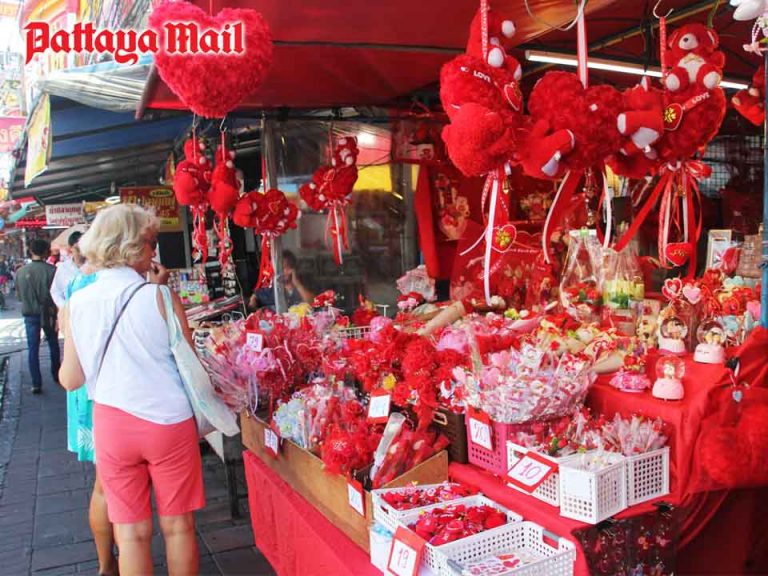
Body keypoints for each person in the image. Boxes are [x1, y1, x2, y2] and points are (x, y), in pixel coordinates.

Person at [59, 204, 204, 576]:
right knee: (178, 526)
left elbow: (71, 379)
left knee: (131, 534)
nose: (154, 251)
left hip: (113, 424)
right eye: (151, 242)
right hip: (169, 422)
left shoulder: (77, 303)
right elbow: (192, 365)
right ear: (131, 245)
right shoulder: (160, 297)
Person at [57, 241, 117, 576]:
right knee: (109, 485)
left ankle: (108, 562)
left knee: (105, 483)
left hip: (86, 393)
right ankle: (110, 563)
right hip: (105, 394)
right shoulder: (102, 285)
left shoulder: (76, 285)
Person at [16, 239, 59, 393]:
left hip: (30, 314)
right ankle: (56, 374)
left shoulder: (20, 272)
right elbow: (57, 295)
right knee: (53, 344)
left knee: (33, 348)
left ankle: (36, 383)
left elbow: (19, 297)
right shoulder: (53, 271)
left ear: (31, 251)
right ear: (46, 252)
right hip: (49, 313)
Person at [248, 249, 314, 310]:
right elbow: (257, 295)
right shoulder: (274, 289)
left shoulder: (303, 286)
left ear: (292, 269)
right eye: (277, 269)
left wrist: (297, 284)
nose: (279, 272)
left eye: (283, 268)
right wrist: (253, 301)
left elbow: (312, 303)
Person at [50, 230, 83, 309]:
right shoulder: (64, 268)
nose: (81, 252)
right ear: (70, 248)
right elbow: (55, 291)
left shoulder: (94, 267)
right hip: (69, 310)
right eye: (77, 249)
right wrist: (64, 307)